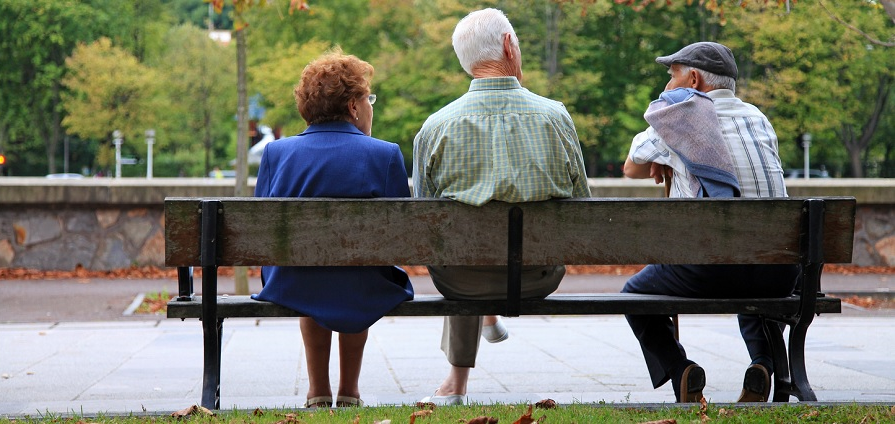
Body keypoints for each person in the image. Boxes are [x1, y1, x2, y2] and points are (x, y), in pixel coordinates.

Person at [412, 8, 591, 405]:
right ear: (510, 45)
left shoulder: (435, 126)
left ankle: (456, 383)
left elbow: (423, 220)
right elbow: (583, 206)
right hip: (538, 277)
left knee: (460, 251)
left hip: (461, 280)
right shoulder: (555, 117)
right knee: (472, 248)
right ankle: (482, 333)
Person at [622, 41, 795, 403]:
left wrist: (666, 147)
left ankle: (680, 368)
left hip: (709, 269)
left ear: (694, 79)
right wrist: (671, 158)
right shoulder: (758, 118)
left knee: (634, 295)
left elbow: (631, 169)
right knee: (750, 266)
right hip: (779, 270)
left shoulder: (681, 114)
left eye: (672, 77)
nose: (668, 85)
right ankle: (762, 363)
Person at [251, 48, 414, 409]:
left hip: (293, 281)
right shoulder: (385, 154)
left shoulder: (276, 154)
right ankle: (350, 391)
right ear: (354, 107)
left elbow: (261, 233)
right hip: (365, 281)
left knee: (310, 275)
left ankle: (318, 391)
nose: (371, 106)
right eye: (367, 98)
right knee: (358, 273)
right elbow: (401, 237)